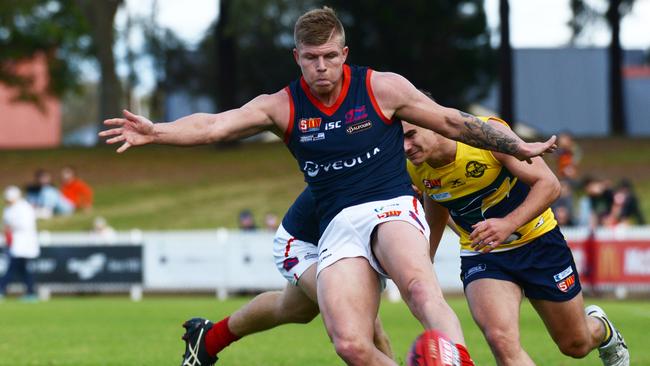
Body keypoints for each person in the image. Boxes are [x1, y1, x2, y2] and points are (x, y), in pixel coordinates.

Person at [100, 7, 556, 365]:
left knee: (419, 285)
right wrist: (156, 131)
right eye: (311, 58)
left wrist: (518, 146)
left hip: (391, 206)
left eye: (330, 57)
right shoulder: (281, 105)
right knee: (348, 341)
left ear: (345, 54)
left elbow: (455, 122)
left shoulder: (382, 88)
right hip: (323, 229)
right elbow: (216, 124)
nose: (322, 67)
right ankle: (212, 336)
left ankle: (455, 360)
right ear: (296, 57)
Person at [403, 116, 629, 366]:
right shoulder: (414, 165)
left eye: (410, 135)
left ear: (432, 122)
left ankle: (602, 329)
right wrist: (424, 260)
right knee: (501, 341)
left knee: (575, 344)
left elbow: (550, 185)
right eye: (399, 139)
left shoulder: (485, 134)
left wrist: (507, 224)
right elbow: (438, 199)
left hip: (539, 242)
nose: (405, 146)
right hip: (484, 256)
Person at [186, 188, 393, 364]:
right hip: (306, 240)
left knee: (294, 308)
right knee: (359, 327)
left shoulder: (418, 170)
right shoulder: (394, 158)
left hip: (346, 241)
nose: (409, 146)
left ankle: (208, 340)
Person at [0, 186, 40, 302]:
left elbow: (25, 225)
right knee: (23, 269)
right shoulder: (9, 209)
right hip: (15, 243)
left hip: (24, 243)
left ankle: (1, 289)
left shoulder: (24, 207)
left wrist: (10, 226)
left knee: (13, 267)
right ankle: (31, 292)